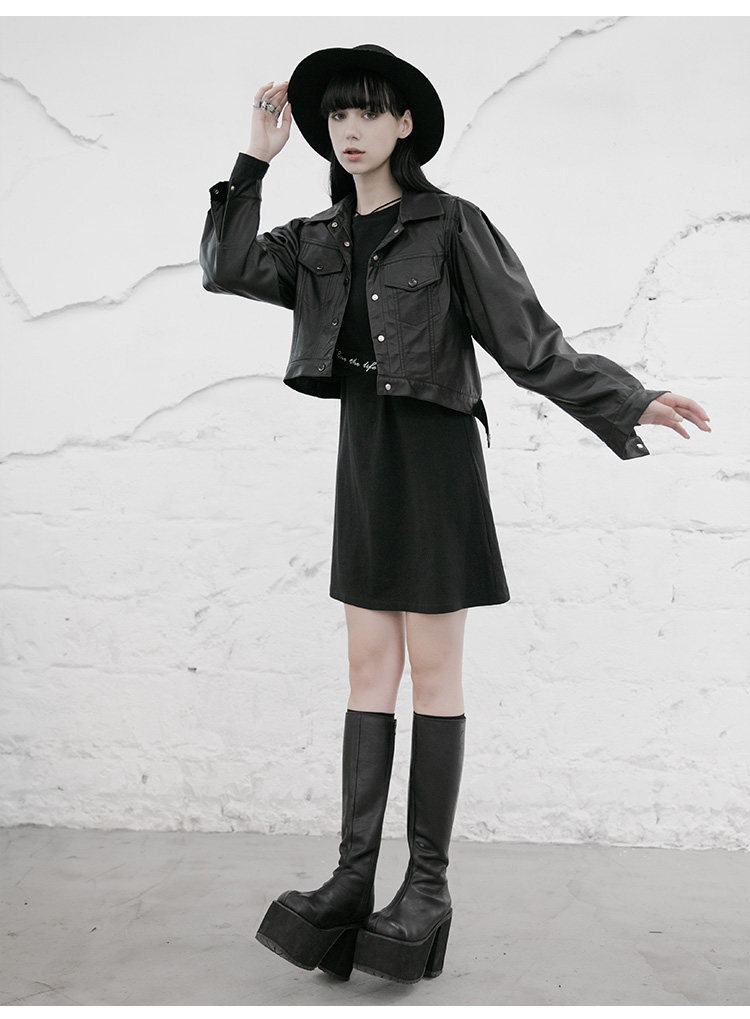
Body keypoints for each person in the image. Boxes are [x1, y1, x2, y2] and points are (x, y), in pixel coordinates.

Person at [199, 44, 710, 985]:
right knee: (367, 667)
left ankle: (425, 887)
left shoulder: (450, 225)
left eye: (369, 111)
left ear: (405, 125)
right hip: (365, 460)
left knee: (433, 672)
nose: (350, 129)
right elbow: (225, 267)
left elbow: (529, 344)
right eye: (336, 114)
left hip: (434, 462)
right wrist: (254, 163)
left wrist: (629, 398)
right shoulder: (315, 239)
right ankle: (354, 879)